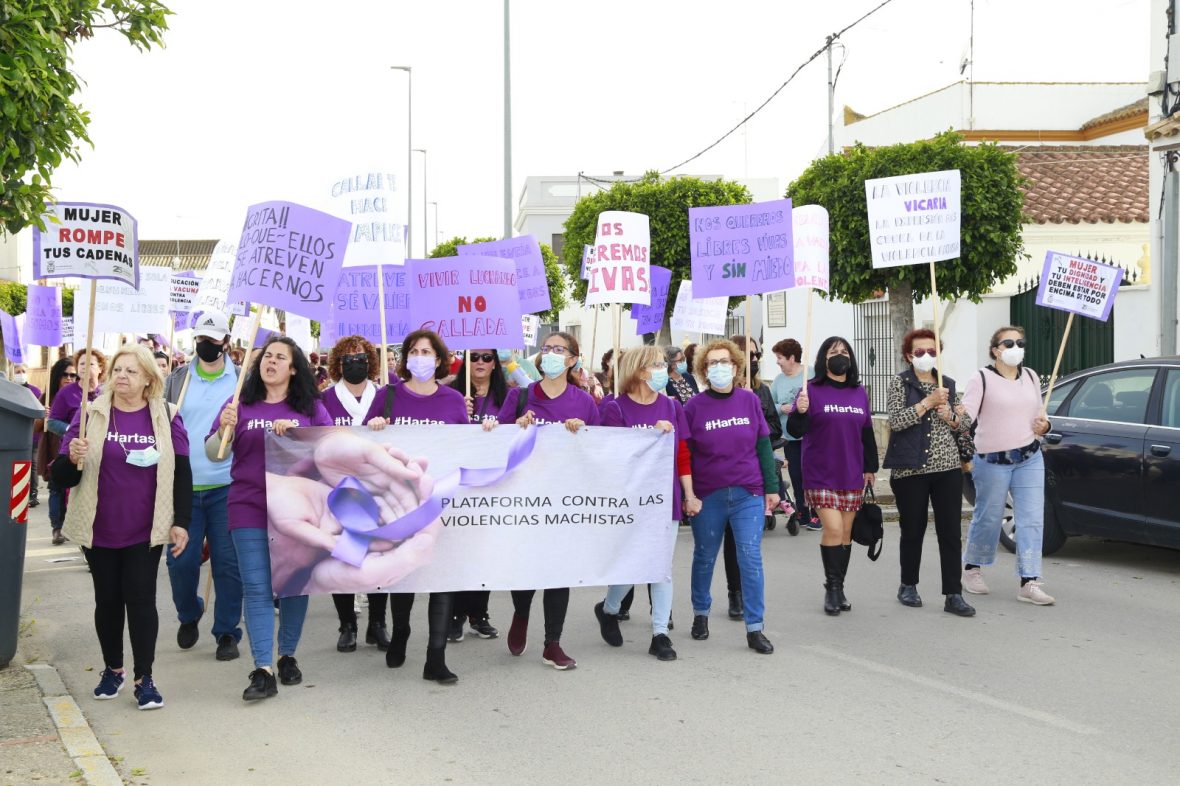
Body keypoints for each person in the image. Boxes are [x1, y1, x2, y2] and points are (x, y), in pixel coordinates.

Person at [52, 345, 191, 710]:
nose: (122, 377)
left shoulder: (166, 415)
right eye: (117, 370)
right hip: (100, 528)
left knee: (142, 600)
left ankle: (145, 678)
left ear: (148, 378)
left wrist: (182, 523)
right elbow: (61, 477)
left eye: (131, 371)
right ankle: (113, 669)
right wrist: (72, 458)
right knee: (108, 600)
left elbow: (182, 474)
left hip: (146, 529)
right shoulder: (90, 415)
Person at [208, 337, 333, 701]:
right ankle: (263, 668)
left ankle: (287, 655)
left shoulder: (309, 407)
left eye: (281, 357)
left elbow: (326, 449)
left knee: (293, 584)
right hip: (247, 507)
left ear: (294, 368)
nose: (271, 362)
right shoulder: (238, 405)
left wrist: (294, 437)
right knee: (258, 588)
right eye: (267, 357)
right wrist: (222, 430)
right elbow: (215, 454)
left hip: (297, 511)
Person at [366, 329, 467, 684]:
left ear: (439, 360)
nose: (420, 357)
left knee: (442, 578)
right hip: (400, 505)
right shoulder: (387, 396)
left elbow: (466, 449)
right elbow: (366, 446)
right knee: (405, 571)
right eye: (414, 351)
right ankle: (402, 631)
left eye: (427, 351)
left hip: (441, 502)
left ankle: (435, 657)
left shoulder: (454, 401)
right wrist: (375, 427)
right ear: (405, 358)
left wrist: (485, 429)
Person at [498, 331, 599, 670]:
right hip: (525, 498)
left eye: (560, 349)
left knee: (559, 570)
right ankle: (521, 612)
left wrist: (582, 432)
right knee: (525, 568)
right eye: (547, 348)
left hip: (564, 500)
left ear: (572, 359)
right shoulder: (521, 396)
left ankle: (552, 643)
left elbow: (599, 450)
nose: (552, 354)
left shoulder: (584, 402)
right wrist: (517, 426)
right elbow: (496, 443)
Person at [595, 345, 692, 661]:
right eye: (656, 364)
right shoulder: (616, 408)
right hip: (630, 499)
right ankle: (609, 609)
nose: (664, 369)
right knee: (633, 562)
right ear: (638, 370)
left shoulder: (673, 407)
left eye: (664, 364)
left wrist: (690, 494)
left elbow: (682, 454)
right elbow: (614, 456)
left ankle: (660, 633)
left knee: (661, 567)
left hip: (666, 498)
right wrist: (650, 435)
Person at [682, 339, 779, 654]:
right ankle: (700, 613)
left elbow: (763, 445)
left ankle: (755, 628)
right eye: (712, 362)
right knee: (705, 556)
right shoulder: (693, 407)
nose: (719, 367)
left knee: (750, 558)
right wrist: (690, 494)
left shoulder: (749, 401)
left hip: (747, 492)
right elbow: (686, 454)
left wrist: (772, 487)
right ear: (703, 369)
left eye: (725, 361)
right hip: (708, 495)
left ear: (737, 367)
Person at [163, 310, 244, 661]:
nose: (205, 346)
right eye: (200, 340)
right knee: (181, 561)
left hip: (228, 485)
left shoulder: (242, 381)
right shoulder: (177, 379)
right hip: (183, 487)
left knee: (228, 563)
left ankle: (227, 631)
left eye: (212, 341)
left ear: (226, 343)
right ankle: (189, 612)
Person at [882, 329, 976, 617]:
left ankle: (953, 593)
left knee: (950, 531)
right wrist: (927, 403)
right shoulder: (900, 383)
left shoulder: (947, 382)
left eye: (932, 351)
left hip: (947, 468)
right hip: (911, 469)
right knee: (913, 529)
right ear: (909, 355)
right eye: (920, 352)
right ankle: (908, 584)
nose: (926, 356)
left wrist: (953, 416)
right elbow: (896, 421)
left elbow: (964, 423)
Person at [961, 326, 1056, 606]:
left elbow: (1040, 415)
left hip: (1029, 456)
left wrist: (1046, 425)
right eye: (1009, 342)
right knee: (989, 517)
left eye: (1020, 342)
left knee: (1032, 518)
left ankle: (1030, 580)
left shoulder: (1031, 376)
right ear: (995, 350)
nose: (1016, 346)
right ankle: (972, 569)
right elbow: (966, 415)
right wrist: (953, 415)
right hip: (992, 460)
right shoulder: (982, 378)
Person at [787, 336, 879, 617]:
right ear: (823, 359)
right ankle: (832, 587)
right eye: (833, 351)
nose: (839, 356)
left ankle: (839, 588)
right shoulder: (810, 390)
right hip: (820, 472)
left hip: (851, 471)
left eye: (844, 351)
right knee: (835, 530)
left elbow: (866, 432)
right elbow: (795, 429)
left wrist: (870, 467)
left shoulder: (858, 392)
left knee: (847, 533)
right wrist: (800, 411)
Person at [319, 335, 393, 654]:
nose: (355, 361)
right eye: (348, 357)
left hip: (378, 487)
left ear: (370, 361)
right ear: (338, 362)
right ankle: (347, 623)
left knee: (379, 552)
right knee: (343, 553)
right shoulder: (324, 399)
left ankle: (377, 623)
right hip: (339, 487)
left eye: (361, 356)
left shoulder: (386, 396)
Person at [445, 348, 518, 642]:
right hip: (458, 483)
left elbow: (514, 433)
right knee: (458, 555)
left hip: (491, 485)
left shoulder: (508, 396)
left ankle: (479, 613)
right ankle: (455, 615)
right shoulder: (451, 393)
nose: (480, 362)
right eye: (474, 356)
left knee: (484, 554)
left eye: (487, 358)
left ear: (495, 364)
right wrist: (459, 413)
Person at [47, 349, 106, 545]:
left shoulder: (106, 393)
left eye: (90, 363)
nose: (85, 367)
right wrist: (74, 432)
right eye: (81, 363)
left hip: (99, 456)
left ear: (100, 368)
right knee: (64, 490)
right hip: (70, 450)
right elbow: (52, 422)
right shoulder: (67, 392)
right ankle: (60, 526)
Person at [771, 338, 817, 531]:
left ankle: (816, 513)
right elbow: (769, 406)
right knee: (796, 476)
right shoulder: (778, 381)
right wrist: (782, 407)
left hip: (810, 436)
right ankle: (802, 511)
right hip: (790, 438)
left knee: (812, 475)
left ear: (791, 358)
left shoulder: (811, 373)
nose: (777, 362)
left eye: (780, 357)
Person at [38, 359, 76, 540]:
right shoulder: (47, 397)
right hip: (53, 448)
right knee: (56, 489)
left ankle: (70, 526)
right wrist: (41, 416)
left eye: (73, 375)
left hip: (73, 449)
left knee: (71, 490)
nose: (69, 379)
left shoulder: (79, 396)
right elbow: (35, 427)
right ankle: (57, 528)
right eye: (65, 375)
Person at [14, 364, 42, 508]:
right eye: (18, 371)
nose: (21, 374)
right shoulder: (10, 390)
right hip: (15, 435)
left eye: (23, 371)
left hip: (33, 435)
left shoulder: (35, 391)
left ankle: (33, 494)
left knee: (33, 465)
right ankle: (18, 493)